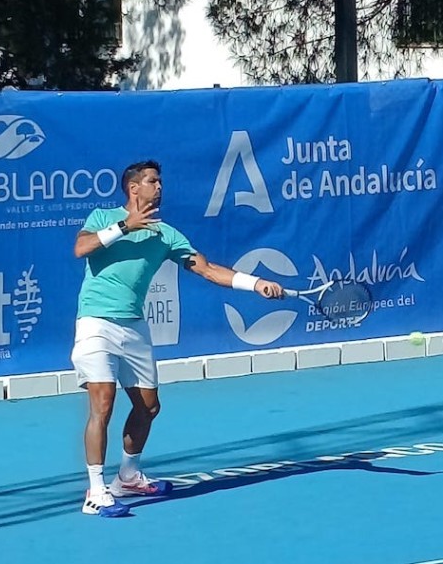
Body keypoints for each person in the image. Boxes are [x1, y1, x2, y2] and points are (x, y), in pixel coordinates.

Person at [71, 160, 284, 517]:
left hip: (134, 325)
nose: (160, 187)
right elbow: (81, 248)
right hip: (96, 322)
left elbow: (208, 268)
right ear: (133, 188)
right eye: (152, 181)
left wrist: (256, 283)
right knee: (103, 402)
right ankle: (95, 492)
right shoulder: (102, 217)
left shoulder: (167, 235)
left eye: (161, 182)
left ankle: (128, 476)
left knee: (149, 406)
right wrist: (125, 226)